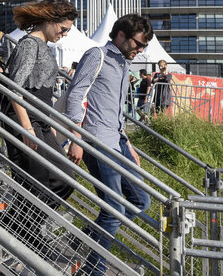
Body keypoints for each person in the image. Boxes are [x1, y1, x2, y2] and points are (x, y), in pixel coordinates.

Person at [64, 14, 154, 276]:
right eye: (138, 44)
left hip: (117, 141)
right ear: (121, 35)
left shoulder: (124, 63)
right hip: (96, 141)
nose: (140, 50)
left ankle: (87, 237)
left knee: (140, 201)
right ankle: (94, 269)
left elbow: (114, 108)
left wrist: (128, 144)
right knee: (113, 210)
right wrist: (76, 138)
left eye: (144, 46)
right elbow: (76, 94)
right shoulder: (97, 55)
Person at [0, 0, 78, 244]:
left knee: (64, 178)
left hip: (40, 121)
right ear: (48, 20)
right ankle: (26, 234)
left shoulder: (42, 45)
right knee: (36, 181)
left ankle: (16, 224)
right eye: (63, 28)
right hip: (26, 119)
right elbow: (15, 88)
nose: (64, 34)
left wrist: (47, 126)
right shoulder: (29, 44)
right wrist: (27, 128)